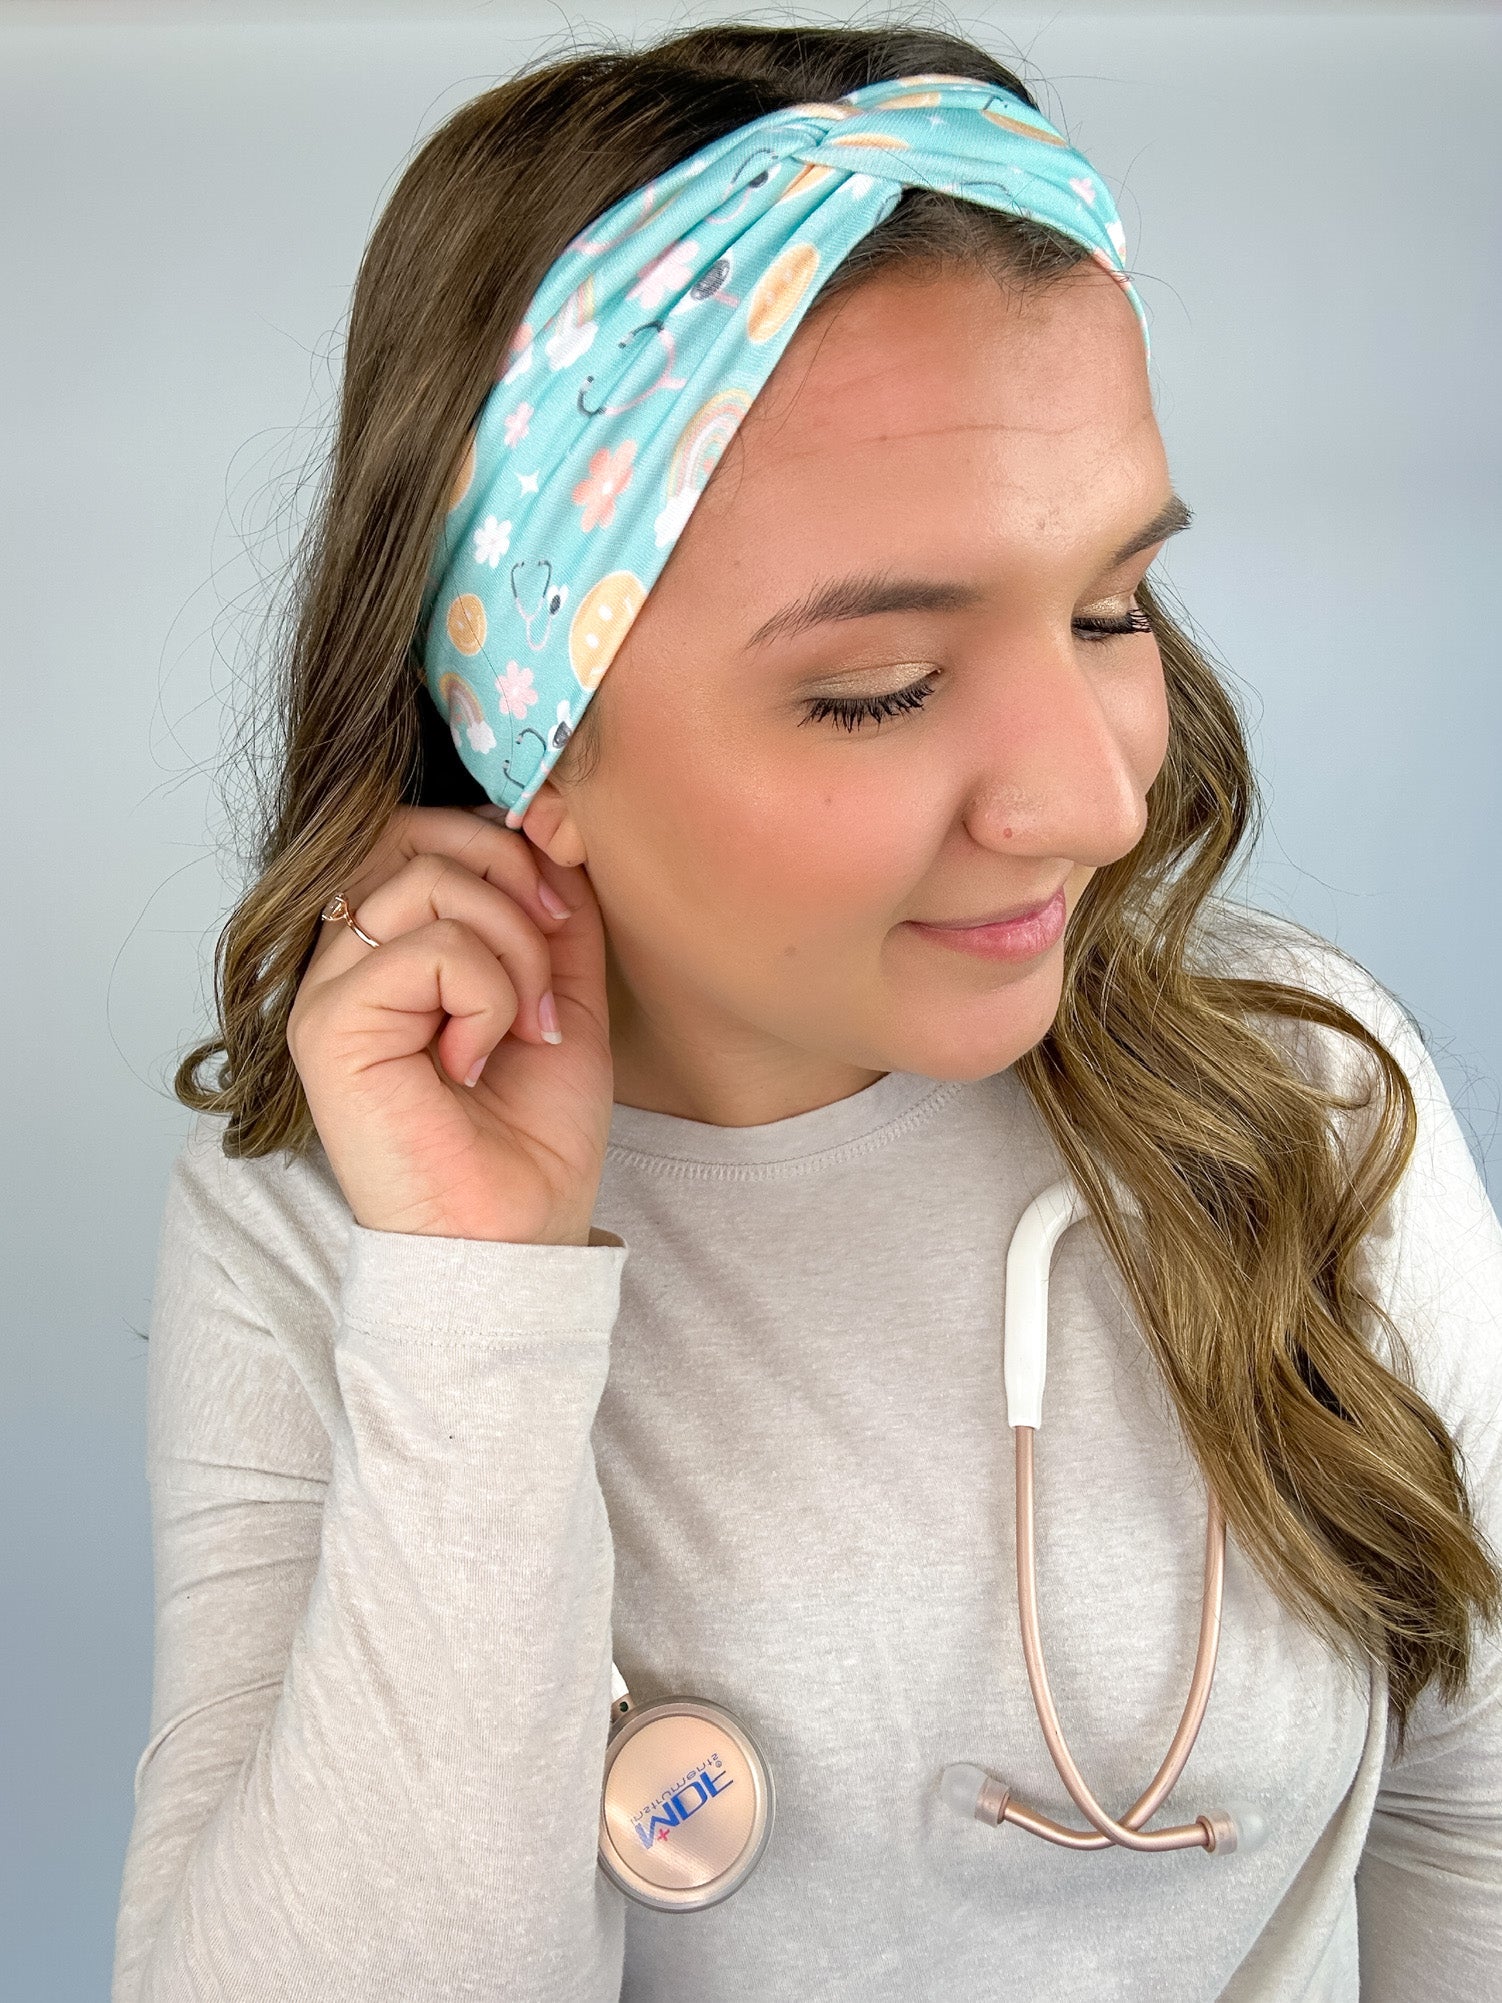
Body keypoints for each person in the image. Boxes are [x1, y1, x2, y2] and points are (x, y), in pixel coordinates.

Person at [111, 20, 1502, 2003]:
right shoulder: (318, 1248)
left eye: (1108, 610)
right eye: (878, 686)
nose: (1099, 796)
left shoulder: (1301, 1100)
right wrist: (479, 1310)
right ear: (534, 735)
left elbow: (1474, 1829)